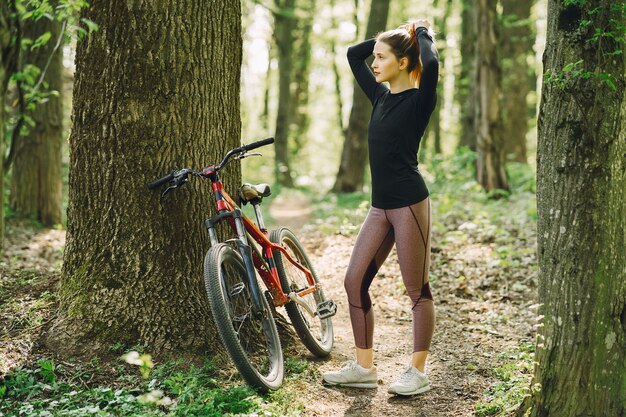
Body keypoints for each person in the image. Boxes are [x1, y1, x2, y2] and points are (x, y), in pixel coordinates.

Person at [322, 19, 439, 396]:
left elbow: (432, 64)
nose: (373, 63)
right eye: (376, 57)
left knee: (416, 290)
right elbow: (353, 54)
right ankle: (364, 367)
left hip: (409, 204)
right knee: (354, 281)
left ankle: (417, 371)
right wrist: (390, 35)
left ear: (403, 63)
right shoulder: (381, 97)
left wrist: (420, 32)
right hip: (379, 209)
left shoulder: (420, 100)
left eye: (383, 57)